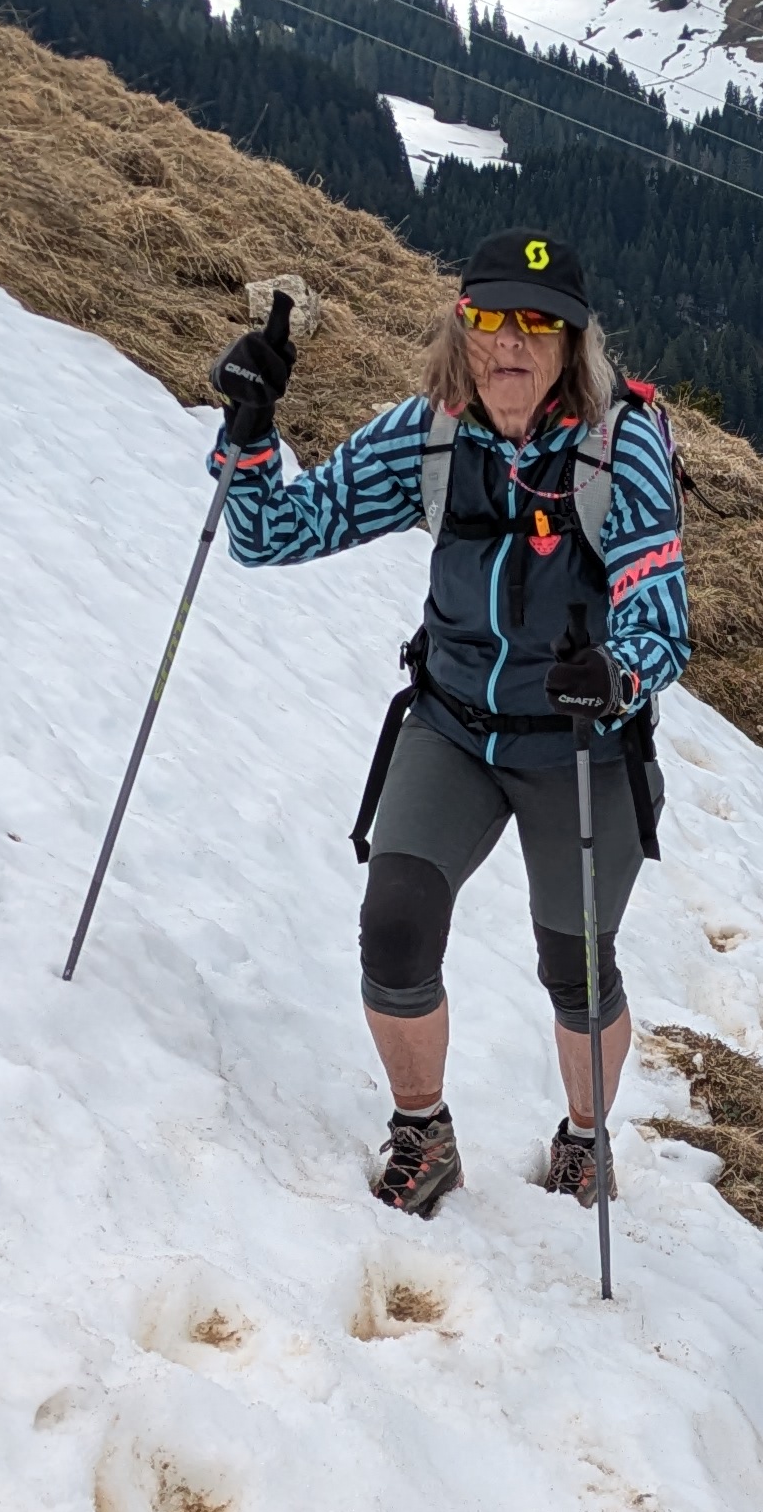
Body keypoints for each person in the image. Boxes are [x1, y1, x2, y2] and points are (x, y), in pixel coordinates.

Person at [208, 233, 690, 1217]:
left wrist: (618, 670)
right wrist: (249, 429)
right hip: (455, 726)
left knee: (577, 961)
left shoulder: (616, 443)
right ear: (459, 330)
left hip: (581, 743)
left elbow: (660, 608)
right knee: (393, 928)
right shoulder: (429, 437)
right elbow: (269, 534)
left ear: (572, 342)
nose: (508, 344)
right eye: (488, 321)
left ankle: (585, 1138)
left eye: (535, 324)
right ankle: (422, 1133)